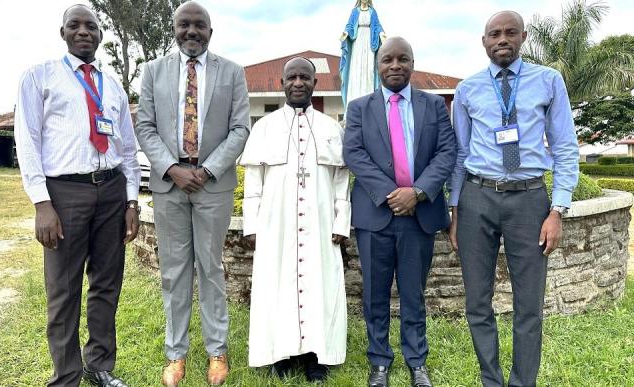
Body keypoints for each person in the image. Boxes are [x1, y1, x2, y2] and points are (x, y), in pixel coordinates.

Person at [447, 11, 579, 387]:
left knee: (529, 306)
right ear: (484, 41)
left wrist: (558, 209)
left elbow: (566, 147)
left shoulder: (548, 81)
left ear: (523, 36)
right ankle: (491, 380)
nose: (501, 39)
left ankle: (523, 383)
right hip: (477, 199)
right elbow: (459, 153)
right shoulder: (468, 90)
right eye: (494, 34)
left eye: (509, 33)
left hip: (529, 201)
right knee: (477, 302)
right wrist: (455, 210)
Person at [14, 4, 140, 387]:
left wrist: (131, 201)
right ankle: (66, 376)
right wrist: (42, 203)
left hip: (112, 191)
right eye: (75, 25)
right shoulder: (40, 77)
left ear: (101, 35)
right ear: (63, 32)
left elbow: (128, 147)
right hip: (65, 194)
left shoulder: (112, 84)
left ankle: (99, 366)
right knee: (63, 290)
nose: (83, 31)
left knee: (106, 283)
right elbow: (28, 140)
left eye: (91, 26)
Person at [134, 2, 250, 386]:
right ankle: (176, 354)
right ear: (174, 29)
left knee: (211, 268)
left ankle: (217, 351)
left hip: (213, 183)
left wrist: (207, 169)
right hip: (169, 184)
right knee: (174, 271)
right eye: (184, 25)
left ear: (211, 32)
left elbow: (240, 129)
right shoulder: (152, 72)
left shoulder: (231, 72)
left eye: (199, 25)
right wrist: (172, 168)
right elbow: (145, 127)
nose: (191, 31)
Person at [344, 37, 457, 387]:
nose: (395, 65)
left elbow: (446, 151)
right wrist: (392, 194)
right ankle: (379, 363)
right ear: (378, 66)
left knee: (413, 293)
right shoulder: (359, 107)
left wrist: (419, 192)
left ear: (413, 63)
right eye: (388, 60)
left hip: (418, 217)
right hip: (375, 215)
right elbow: (354, 153)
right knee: (375, 294)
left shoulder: (434, 105)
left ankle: (416, 362)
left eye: (403, 59)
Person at [239, 57, 351, 382]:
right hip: (277, 225)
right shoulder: (264, 128)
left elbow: (342, 182)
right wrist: (252, 225)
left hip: (320, 225)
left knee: (320, 287)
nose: (298, 82)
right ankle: (282, 354)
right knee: (278, 287)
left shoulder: (331, 129)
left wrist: (340, 222)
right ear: (282, 83)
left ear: (316, 84)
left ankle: (318, 355)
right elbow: (254, 182)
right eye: (292, 77)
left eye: (305, 77)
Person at [339, 0, 386, 109]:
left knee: (369, 70)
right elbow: (350, 26)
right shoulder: (355, 11)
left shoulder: (372, 12)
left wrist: (381, 33)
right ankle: (354, 102)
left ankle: (369, 103)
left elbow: (377, 26)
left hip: (369, 43)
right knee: (356, 70)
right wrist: (346, 33)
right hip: (357, 43)